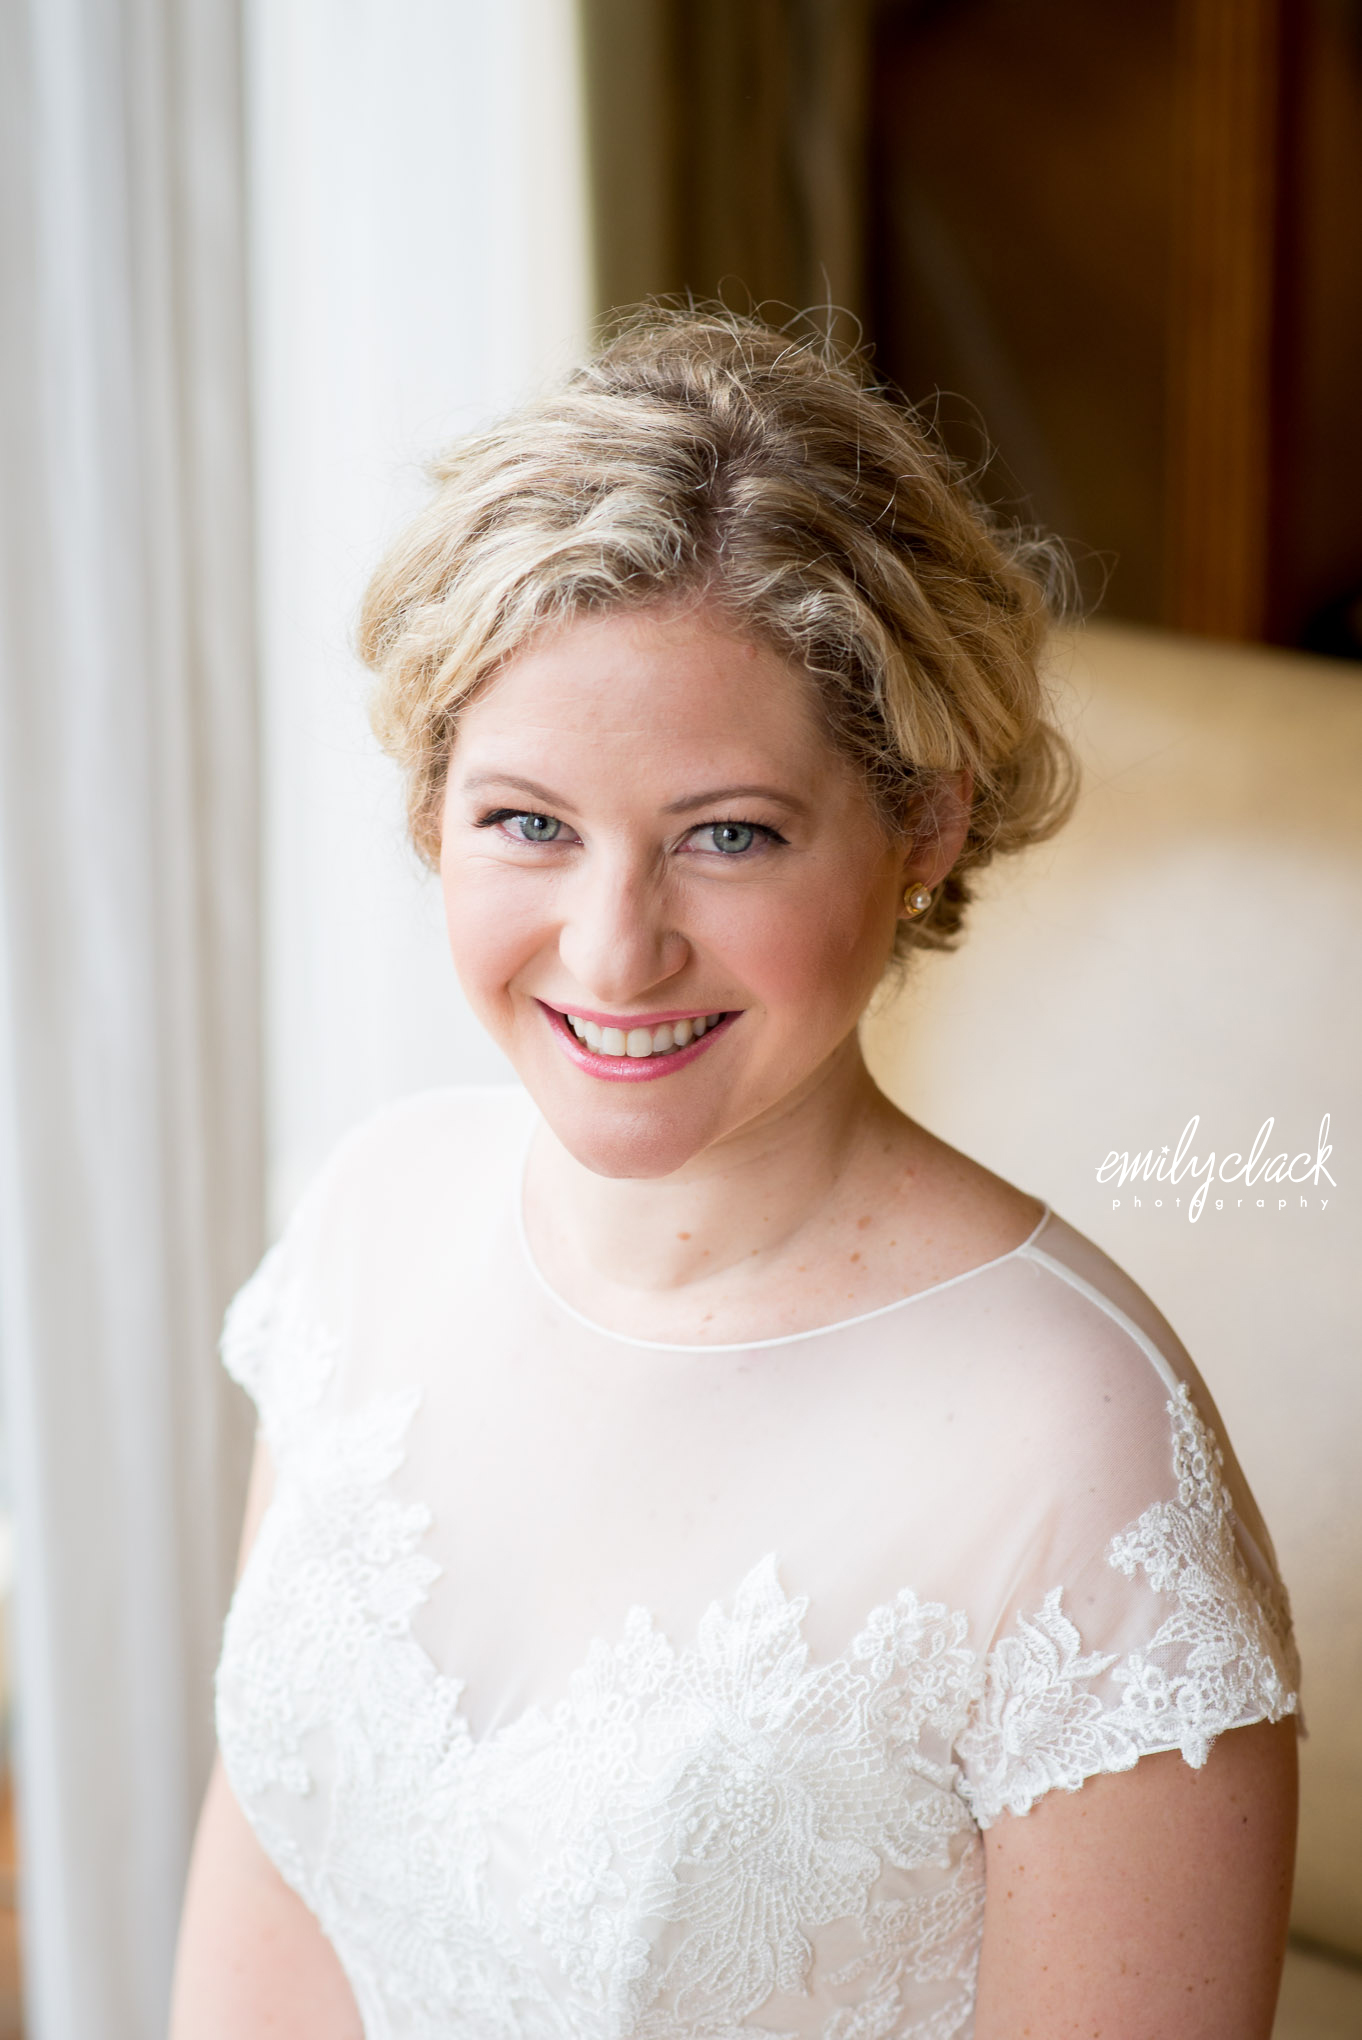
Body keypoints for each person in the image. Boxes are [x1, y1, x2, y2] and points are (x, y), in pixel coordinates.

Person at [170, 310, 1300, 2039]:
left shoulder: (1083, 1461)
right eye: (527, 823)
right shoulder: (364, 1225)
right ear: (430, 812)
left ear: (921, 825)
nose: (613, 952)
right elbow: (273, 1910)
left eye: (727, 834)